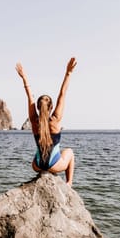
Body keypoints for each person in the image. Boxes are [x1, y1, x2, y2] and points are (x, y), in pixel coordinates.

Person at [15, 57, 77, 186]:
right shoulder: (55, 120)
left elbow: (29, 96)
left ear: (38, 107)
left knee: (44, 151)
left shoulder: (34, 121)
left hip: (37, 165)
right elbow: (62, 94)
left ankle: (43, 173)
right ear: (51, 107)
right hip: (54, 165)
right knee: (69, 152)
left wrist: (24, 77)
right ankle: (69, 183)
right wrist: (68, 73)